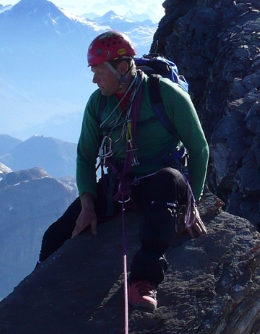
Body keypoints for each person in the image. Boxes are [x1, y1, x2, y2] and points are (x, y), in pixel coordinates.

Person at [38, 31, 210, 312]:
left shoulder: (166, 94)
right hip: (121, 183)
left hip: (162, 181)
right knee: (55, 236)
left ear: (121, 68)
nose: (94, 80)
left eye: (99, 72)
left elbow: (199, 148)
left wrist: (195, 202)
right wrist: (87, 204)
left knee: (168, 181)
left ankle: (144, 281)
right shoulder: (99, 103)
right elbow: (85, 156)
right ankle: (39, 288)